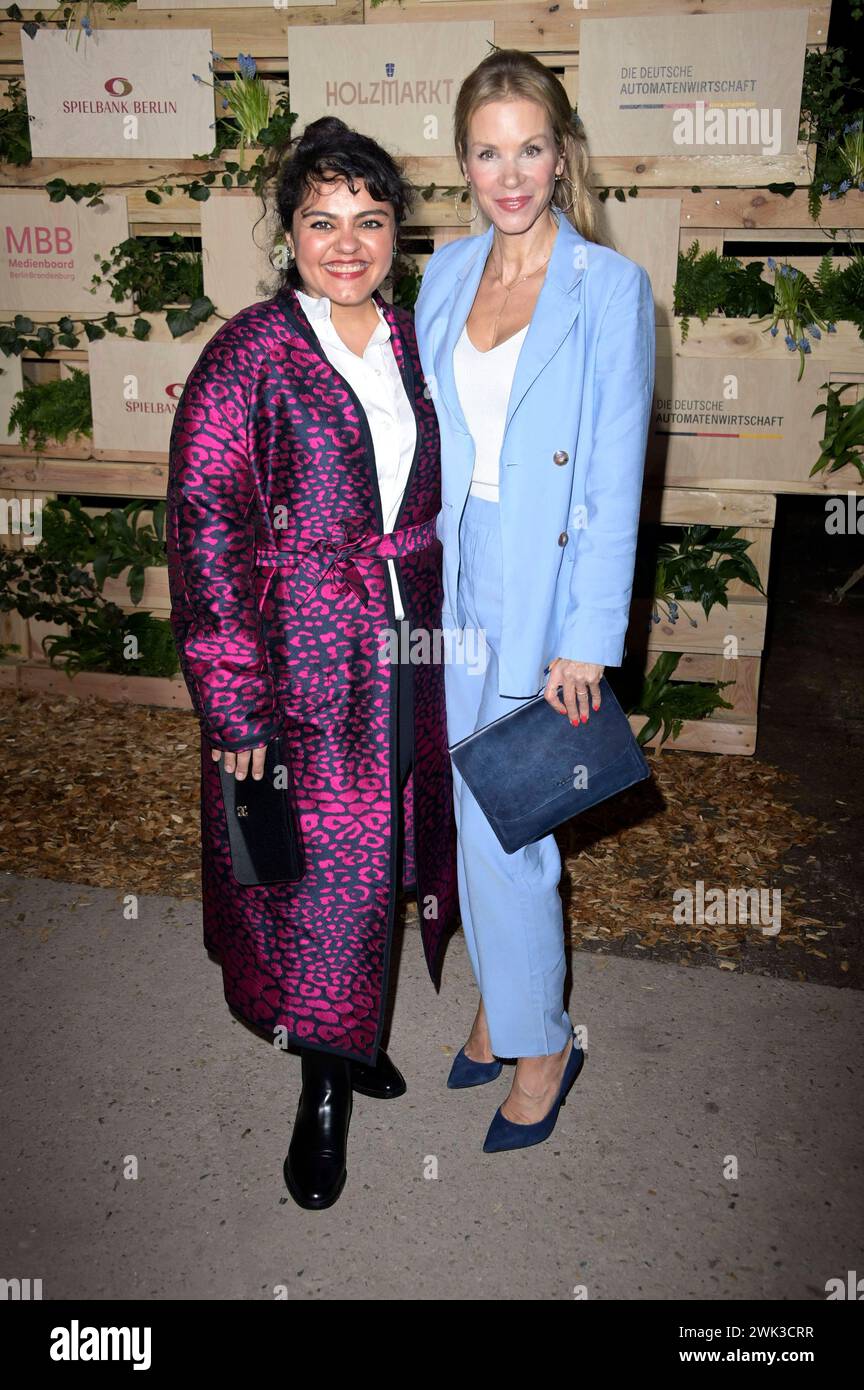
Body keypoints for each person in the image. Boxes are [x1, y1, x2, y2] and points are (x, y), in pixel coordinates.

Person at [166, 116, 457, 1209]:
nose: (347, 244)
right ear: (288, 233)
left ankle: (348, 1031)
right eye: (322, 221)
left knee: (387, 850)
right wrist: (233, 706)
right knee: (314, 875)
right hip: (302, 665)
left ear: (395, 234)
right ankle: (323, 1081)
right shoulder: (250, 354)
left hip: (410, 641)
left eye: (369, 221)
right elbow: (204, 529)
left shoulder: (420, 340)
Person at [413, 50, 655, 1153]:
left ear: (561, 156)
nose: (509, 174)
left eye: (530, 148)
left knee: (512, 821)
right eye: (486, 151)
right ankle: (501, 1002)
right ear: (463, 161)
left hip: (543, 578)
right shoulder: (445, 273)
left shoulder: (607, 288)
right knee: (465, 808)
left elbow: (612, 475)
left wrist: (587, 638)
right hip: (452, 572)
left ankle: (544, 1041)